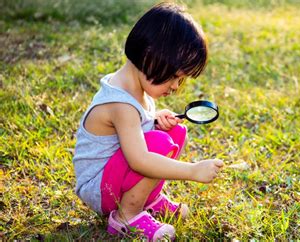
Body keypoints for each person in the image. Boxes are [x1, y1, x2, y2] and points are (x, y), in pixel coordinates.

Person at [72, 2, 223, 240]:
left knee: (175, 133)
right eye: (174, 77)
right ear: (149, 56)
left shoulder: (135, 87)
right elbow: (140, 160)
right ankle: (126, 216)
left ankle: (148, 200)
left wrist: (153, 118)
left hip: (114, 176)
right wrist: (192, 170)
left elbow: (131, 131)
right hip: (100, 188)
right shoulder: (120, 104)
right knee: (160, 144)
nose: (175, 86)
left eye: (180, 80)